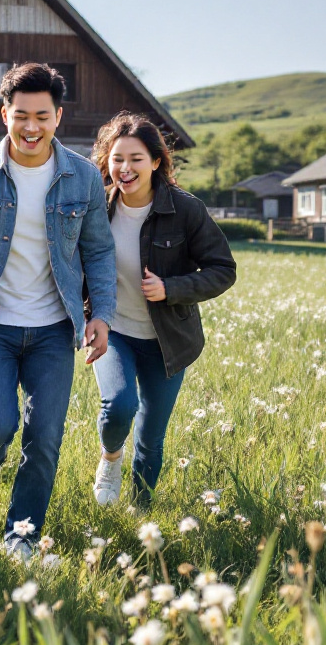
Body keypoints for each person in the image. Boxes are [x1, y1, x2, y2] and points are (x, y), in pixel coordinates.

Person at [0, 62, 117, 561]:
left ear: (59, 116)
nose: (31, 127)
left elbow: (99, 251)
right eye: (21, 115)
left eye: (42, 116)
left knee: (45, 437)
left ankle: (22, 534)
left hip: (56, 330)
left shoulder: (81, 177)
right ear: (4, 115)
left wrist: (100, 312)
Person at [88, 111, 236, 508]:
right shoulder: (97, 207)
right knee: (119, 406)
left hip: (168, 341)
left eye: (136, 159)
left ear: (156, 161)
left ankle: (141, 513)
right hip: (115, 331)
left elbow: (224, 270)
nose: (125, 168)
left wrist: (170, 288)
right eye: (117, 159)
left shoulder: (185, 210)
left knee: (151, 438)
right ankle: (110, 457)